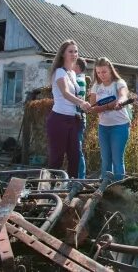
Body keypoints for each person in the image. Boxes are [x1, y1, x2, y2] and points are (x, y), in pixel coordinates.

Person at [46, 40, 91, 178]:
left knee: (75, 156)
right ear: (63, 54)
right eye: (70, 51)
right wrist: (81, 103)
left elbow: (78, 93)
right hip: (59, 119)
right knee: (57, 158)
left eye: (76, 51)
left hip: (73, 119)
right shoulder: (60, 72)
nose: (74, 54)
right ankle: (49, 190)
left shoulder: (72, 73)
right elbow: (65, 93)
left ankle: (73, 187)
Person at [89, 57, 131, 180]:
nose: (101, 75)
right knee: (106, 159)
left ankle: (119, 189)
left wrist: (120, 102)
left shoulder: (119, 82)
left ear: (111, 70)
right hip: (103, 127)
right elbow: (93, 108)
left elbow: (123, 95)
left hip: (120, 125)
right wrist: (109, 106)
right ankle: (105, 188)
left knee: (117, 159)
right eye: (98, 72)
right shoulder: (96, 86)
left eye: (104, 72)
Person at [73, 58, 88, 178]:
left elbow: (76, 98)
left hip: (78, 117)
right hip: (75, 117)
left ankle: (80, 178)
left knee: (77, 150)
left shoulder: (79, 80)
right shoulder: (76, 79)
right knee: (74, 149)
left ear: (77, 66)